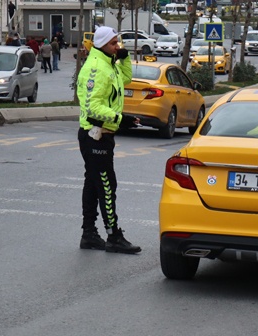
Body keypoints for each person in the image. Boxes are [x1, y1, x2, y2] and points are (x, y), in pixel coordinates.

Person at [75, 26, 141, 254]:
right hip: (95, 135)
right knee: (106, 185)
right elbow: (91, 106)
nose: (118, 46)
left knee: (93, 184)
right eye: (114, 43)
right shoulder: (96, 68)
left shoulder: (108, 63)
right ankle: (113, 235)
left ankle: (89, 234)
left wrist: (125, 58)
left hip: (102, 134)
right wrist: (120, 118)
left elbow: (126, 79)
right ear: (101, 44)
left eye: (118, 42)